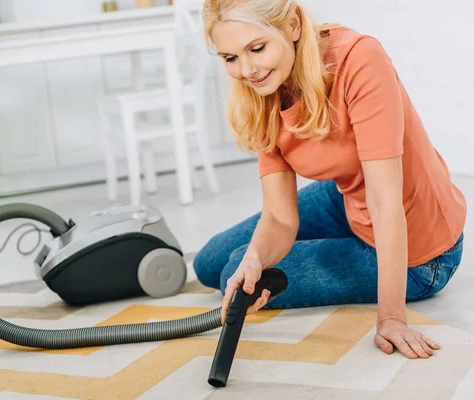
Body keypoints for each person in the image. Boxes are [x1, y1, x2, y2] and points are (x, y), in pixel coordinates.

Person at [193, 0, 467, 360]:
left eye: (257, 48)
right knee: (210, 263)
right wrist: (258, 256)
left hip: (420, 251)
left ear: (292, 25)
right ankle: (330, 241)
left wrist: (391, 319)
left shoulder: (359, 59)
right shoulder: (259, 92)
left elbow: (387, 201)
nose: (247, 70)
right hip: (347, 197)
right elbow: (279, 217)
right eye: (230, 58)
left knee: (234, 270)